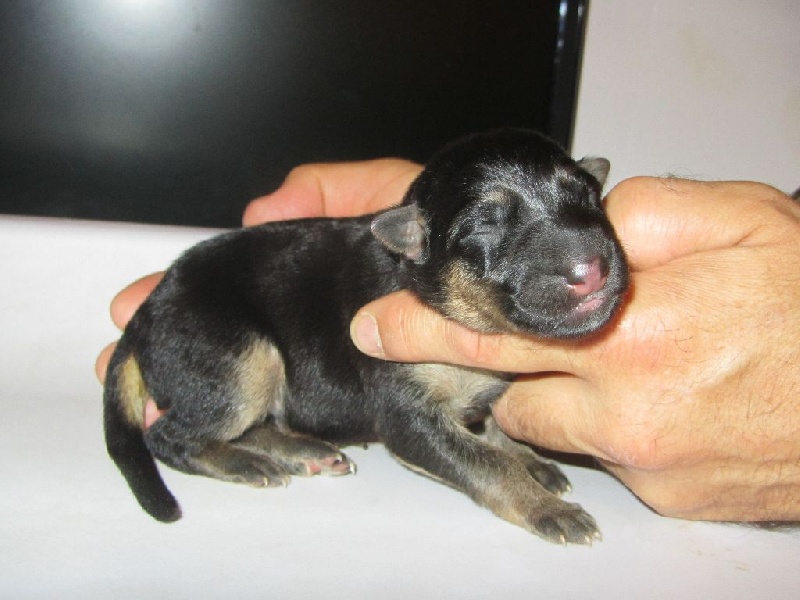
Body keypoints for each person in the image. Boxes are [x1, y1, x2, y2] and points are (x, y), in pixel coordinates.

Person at [96, 159, 800, 524]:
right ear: (416, 247)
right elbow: (417, 419)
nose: (585, 264)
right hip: (219, 304)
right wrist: (516, 490)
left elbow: (474, 399)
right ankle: (189, 443)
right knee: (236, 387)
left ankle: (265, 430)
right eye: (488, 225)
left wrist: (509, 443)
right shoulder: (399, 272)